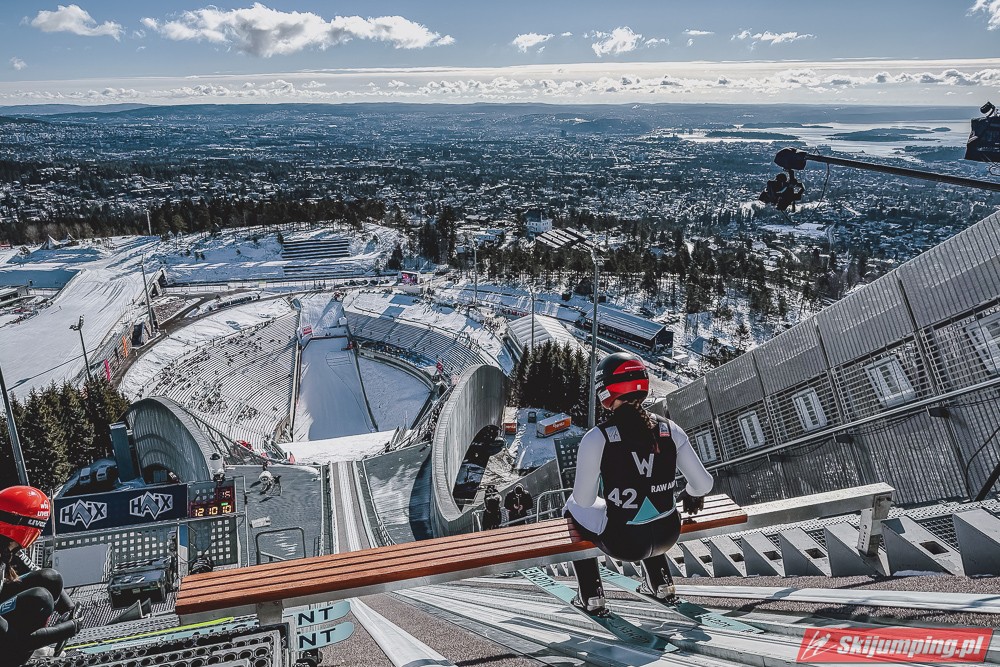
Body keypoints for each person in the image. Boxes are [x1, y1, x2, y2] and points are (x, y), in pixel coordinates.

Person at [564, 352, 714, 616]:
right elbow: (703, 484)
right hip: (668, 534)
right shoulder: (669, 429)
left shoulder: (597, 437)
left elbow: (584, 501)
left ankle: (591, 594)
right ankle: (660, 583)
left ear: (604, 390)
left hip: (623, 543)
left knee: (571, 506)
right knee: (651, 506)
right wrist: (691, 493)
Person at [0, 486, 80, 664]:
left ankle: (33, 648)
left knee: (49, 578)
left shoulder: (6, 545)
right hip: (8, 641)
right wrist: (65, 630)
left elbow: (44, 576)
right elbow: (12, 640)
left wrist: (70, 610)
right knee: (40, 598)